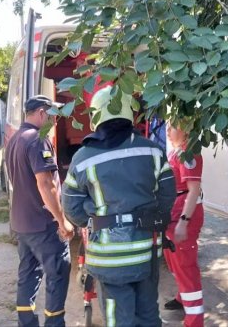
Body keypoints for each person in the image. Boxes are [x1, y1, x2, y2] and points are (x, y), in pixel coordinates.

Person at [62, 85, 175, 326]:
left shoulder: (83, 158)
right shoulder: (153, 150)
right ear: (129, 113)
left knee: (118, 320)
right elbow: (168, 194)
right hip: (146, 252)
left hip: (108, 257)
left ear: (96, 116)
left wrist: (95, 222)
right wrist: (152, 217)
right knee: (148, 316)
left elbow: (71, 207)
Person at [5, 95, 74, 327]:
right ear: (42, 113)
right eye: (53, 115)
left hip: (22, 224)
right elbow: (46, 184)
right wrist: (62, 220)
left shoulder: (15, 139)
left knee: (28, 275)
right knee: (58, 274)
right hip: (42, 225)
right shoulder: (37, 139)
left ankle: (27, 323)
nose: (55, 120)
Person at [163, 122, 205, 326]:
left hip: (183, 216)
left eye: (172, 127)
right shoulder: (177, 152)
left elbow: (194, 190)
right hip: (174, 214)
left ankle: (194, 320)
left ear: (186, 130)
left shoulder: (189, 154)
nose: (167, 132)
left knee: (185, 266)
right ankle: (182, 297)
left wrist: (183, 223)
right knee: (174, 261)